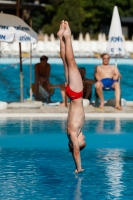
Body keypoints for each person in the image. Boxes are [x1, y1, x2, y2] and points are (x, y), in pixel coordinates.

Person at [57, 20, 86, 173]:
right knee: (65, 62)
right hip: (72, 93)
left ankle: (67, 36)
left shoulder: (72, 133)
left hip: (76, 94)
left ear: (76, 143)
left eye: (83, 141)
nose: (84, 138)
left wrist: (78, 168)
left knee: (71, 62)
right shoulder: (72, 131)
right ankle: (61, 35)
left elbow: (75, 151)